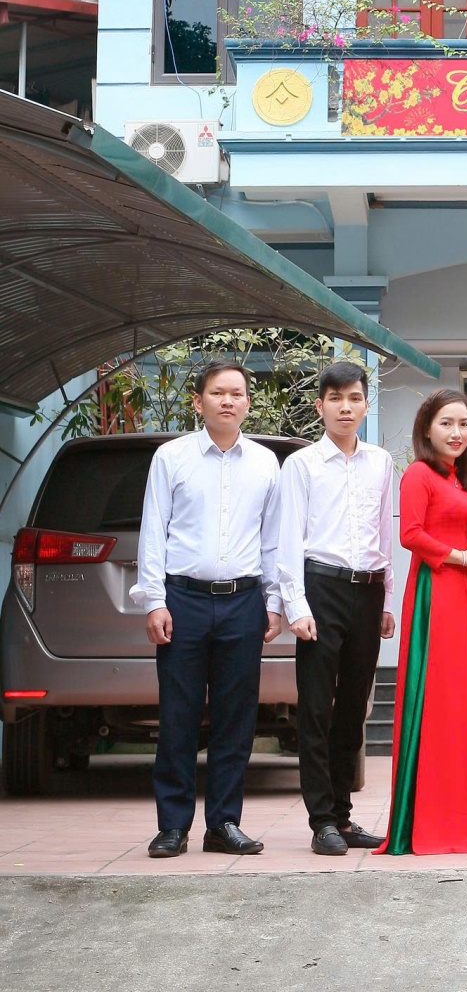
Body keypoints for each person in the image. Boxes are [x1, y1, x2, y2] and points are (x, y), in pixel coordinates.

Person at [131, 359, 282, 859]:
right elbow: (154, 530)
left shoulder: (265, 463)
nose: (228, 401)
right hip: (184, 600)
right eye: (218, 392)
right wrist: (155, 600)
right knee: (179, 714)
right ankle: (173, 826)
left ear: (248, 402)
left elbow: (272, 539)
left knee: (236, 718)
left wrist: (274, 601)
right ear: (199, 401)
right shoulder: (171, 458)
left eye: (237, 393)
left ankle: (223, 823)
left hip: (244, 600)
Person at [277, 360, 396, 856]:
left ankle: (343, 817)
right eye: (335, 398)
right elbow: (287, 537)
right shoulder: (301, 465)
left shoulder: (381, 462)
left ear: (366, 405)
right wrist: (296, 604)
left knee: (353, 707)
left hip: (367, 592)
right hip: (320, 588)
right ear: (320, 405)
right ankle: (321, 820)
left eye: (354, 398)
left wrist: (387, 599)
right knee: (315, 707)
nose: (345, 407)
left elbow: (384, 533)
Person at [376, 390, 467, 855]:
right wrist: (462, 556)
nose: (457, 432)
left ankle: (458, 814)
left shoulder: (459, 481)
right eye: (446, 423)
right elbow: (410, 533)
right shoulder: (419, 474)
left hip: (465, 594)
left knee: (462, 704)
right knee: (438, 701)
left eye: (464, 424)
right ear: (427, 429)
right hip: (437, 590)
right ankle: (430, 821)